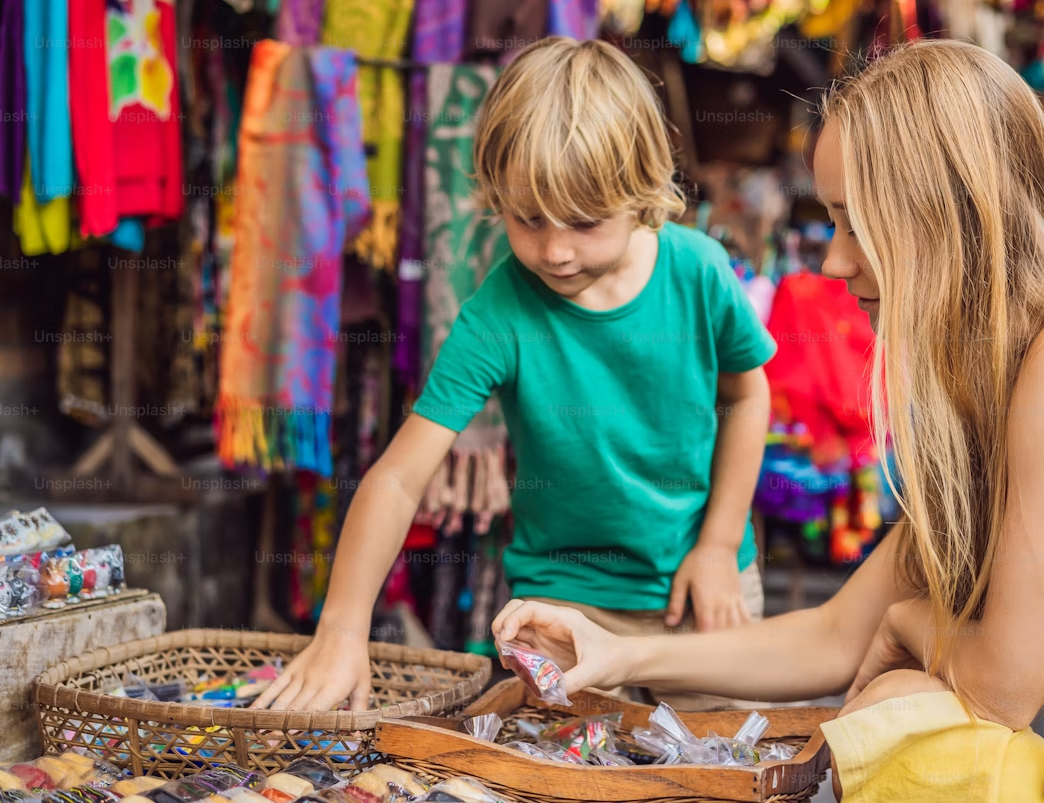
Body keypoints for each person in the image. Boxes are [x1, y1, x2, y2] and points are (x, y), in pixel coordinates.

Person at [493, 39, 1044, 801]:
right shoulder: (1013, 384)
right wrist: (616, 656)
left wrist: (912, 627)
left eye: (852, 221)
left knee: (902, 723)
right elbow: (836, 633)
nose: (835, 260)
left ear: (939, 216)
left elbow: (1001, 689)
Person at [254, 37, 777, 712]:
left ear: (642, 191)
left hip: (705, 593)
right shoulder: (497, 311)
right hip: (561, 606)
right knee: (555, 775)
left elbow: (746, 395)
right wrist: (341, 629)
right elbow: (399, 474)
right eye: (528, 219)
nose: (555, 251)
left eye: (585, 223)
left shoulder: (700, 272)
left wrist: (716, 546)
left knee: (718, 770)